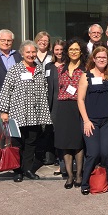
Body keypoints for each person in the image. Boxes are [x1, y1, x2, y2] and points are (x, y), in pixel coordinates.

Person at [0, 40, 52, 182]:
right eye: (28, 52)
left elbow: (44, 91)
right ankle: (17, 170)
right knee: (16, 142)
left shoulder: (40, 70)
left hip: (35, 115)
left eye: (33, 52)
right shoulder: (14, 70)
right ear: (22, 53)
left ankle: (27, 169)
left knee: (31, 142)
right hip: (16, 115)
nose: (31, 55)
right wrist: (4, 112)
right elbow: (6, 91)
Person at [77, 46, 108, 195]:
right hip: (91, 121)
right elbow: (80, 100)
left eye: (104, 57)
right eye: (99, 57)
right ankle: (85, 182)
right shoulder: (86, 76)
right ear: (94, 59)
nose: (102, 60)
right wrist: (86, 121)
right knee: (93, 153)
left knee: (107, 152)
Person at [55, 38, 87, 189]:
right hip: (63, 108)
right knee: (65, 143)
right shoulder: (60, 68)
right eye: (71, 49)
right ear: (67, 52)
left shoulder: (86, 68)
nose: (73, 52)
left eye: (76, 49)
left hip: (78, 107)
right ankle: (69, 176)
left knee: (77, 143)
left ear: (81, 52)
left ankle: (79, 174)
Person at [45, 40, 65, 171]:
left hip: (65, 103)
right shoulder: (49, 66)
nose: (59, 52)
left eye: (61, 50)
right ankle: (58, 157)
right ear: (53, 51)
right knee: (54, 131)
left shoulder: (69, 65)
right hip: (53, 103)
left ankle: (64, 160)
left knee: (64, 131)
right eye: (57, 50)